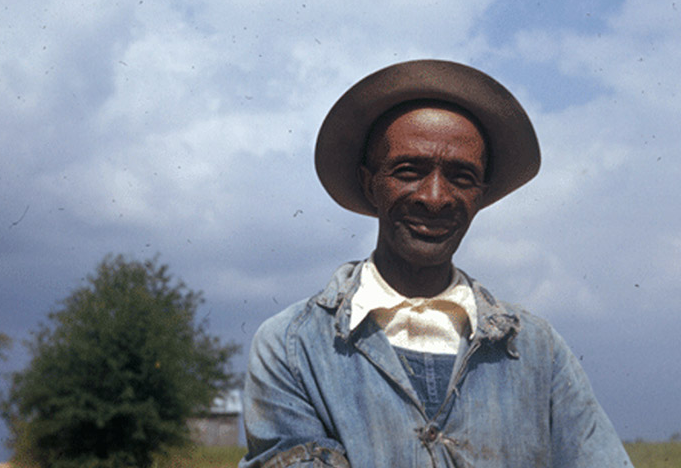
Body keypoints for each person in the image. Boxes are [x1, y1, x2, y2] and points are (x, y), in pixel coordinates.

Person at [239, 60, 632, 467]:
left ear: (481, 194)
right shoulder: (293, 346)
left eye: (462, 177)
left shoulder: (536, 349)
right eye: (408, 171)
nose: (435, 197)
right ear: (368, 181)